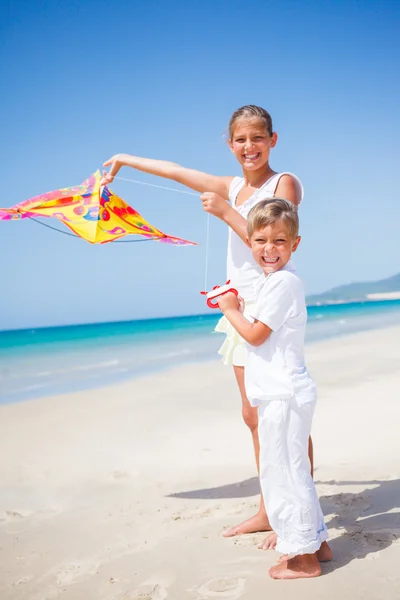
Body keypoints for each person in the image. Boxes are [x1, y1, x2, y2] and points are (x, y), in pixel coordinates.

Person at [101, 104, 313, 536]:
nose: (249, 147)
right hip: (238, 308)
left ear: (272, 140)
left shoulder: (282, 182)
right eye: (240, 139)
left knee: (283, 412)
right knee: (253, 414)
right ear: (229, 143)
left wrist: (224, 211)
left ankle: (296, 507)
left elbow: (274, 234)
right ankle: (269, 506)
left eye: (257, 138)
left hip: (268, 307)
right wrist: (124, 158)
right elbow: (175, 171)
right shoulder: (230, 184)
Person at [217, 198, 330, 579]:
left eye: (279, 241)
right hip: (284, 390)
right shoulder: (277, 281)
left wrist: (229, 308)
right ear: (249, 242)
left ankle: (303, 558)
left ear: (295, 243)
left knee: (283, 472)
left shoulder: (283, 283)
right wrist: (244, 301)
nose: (269, 249)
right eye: (261, 240)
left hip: (282, 393)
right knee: (292, 467)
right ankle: (319, 543)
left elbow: (256, 335)